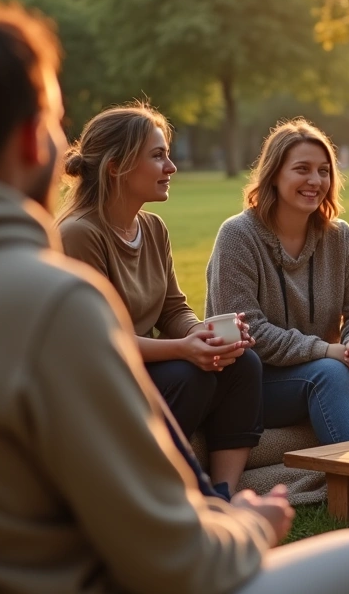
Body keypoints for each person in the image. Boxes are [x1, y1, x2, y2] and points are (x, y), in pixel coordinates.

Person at [0, 0, 349, 594]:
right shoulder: (49, 302)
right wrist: (249, 525)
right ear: (24, 138)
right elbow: (177, 560)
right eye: (55, 123)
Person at [59, 104, 263, 493]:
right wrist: (183, 350)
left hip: (146, 367)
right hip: (102, 380)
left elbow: (173, 309)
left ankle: (223, 493)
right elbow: (101, 342)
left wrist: (205, 334)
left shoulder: (153, 228)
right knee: (191, 375)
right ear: (116, 167)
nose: (171, 167)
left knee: (244, 364)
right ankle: (153, 486)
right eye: (157, 156)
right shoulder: (79, 234)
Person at [205, 119, 349, 444]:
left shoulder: (340, 236)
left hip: (327, 366)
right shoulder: (237, 236)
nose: (315, 180)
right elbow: (249, 331)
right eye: (302, 169)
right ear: (274, 175)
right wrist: (328, 351)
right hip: (254, 386)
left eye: (324, 171)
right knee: (329, 373)